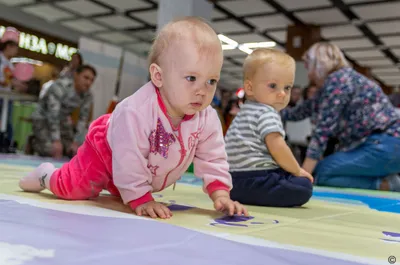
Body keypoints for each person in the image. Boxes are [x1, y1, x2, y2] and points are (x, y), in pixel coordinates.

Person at [19, 17, 248, 219]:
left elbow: (213, 158)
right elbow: (129, 156)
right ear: (158, 76)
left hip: (139, 171)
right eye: (191, 78)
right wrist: (140, 198)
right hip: (106, 151)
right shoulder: (136, 111)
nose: (203, 90)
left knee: (123, 191)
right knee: (72, 189)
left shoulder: (206, 117)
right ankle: (46, 175)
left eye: (211, 81)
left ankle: (130, 188)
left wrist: (220, 194)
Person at [281, 42, 400, 191]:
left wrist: (302, 177)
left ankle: (389, 185)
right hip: (386, 145)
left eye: (307, 66)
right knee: (325, 169)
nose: (307, 73)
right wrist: (268, 110)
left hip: (384, 144)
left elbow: (322, 132)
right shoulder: (338, 82)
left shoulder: (337, 81)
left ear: (318, 63)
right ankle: (387, 179)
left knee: (322, 173)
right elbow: (298, 112)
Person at [224, 48, 313, 207]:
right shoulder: (267, 112)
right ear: (249, 88)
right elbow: (278, 148)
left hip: (232, 183)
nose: (282, 94)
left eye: (287, 87)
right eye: (273, 86)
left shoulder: (243, 112)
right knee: (303, 186)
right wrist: (297, 170)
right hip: (258, 179)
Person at [31, 64, 96, 159]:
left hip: (62, 120)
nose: (88, 82)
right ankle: (34, 142)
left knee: (73, 151)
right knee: (52, 150)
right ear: (76, 75)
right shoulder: (60, 86)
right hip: (43, 118)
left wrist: (76, 142)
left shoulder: (88, 95)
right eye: (86, 78)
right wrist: (56, 140)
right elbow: (53, 115)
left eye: (91, 80)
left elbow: (83, 119)